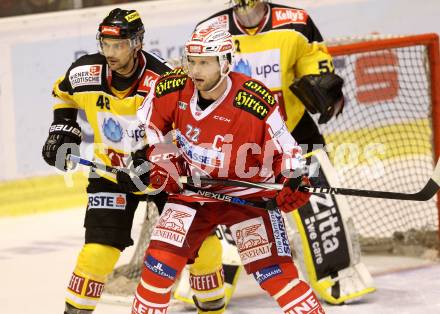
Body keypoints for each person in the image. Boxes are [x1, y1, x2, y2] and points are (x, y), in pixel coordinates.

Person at [189, 0, 375, 307]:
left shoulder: (296, 21)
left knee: (319, 202)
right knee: (225, 211)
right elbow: (199, 85)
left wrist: (325, 87)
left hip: (294, 132)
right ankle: (211, 282)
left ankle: (338, 275)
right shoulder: (210, 29)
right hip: (236, 142)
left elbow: (319, 66)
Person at [131, 26, 325, 314]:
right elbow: (153, 127)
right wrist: (161, 160)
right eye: (192, 61)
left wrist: (294, 178)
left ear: (225, 62)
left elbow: (289, 150)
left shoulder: (254, 99)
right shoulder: (172, 87)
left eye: (205, 63)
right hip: (193, 195)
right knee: (157, 268)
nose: (195, 70)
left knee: (277, 275)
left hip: (247, 197)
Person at [41, 8, 172, 313]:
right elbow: (63, 94)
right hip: (111, 175)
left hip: (164, 175)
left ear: (137, 42)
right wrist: (63, 128)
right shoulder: (85, 72)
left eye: (119, 45)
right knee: (96, 253)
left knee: (200, 249)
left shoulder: (163, 80)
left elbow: (186, 125)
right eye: (106, 45)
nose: (111, 53)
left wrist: (152, 158)